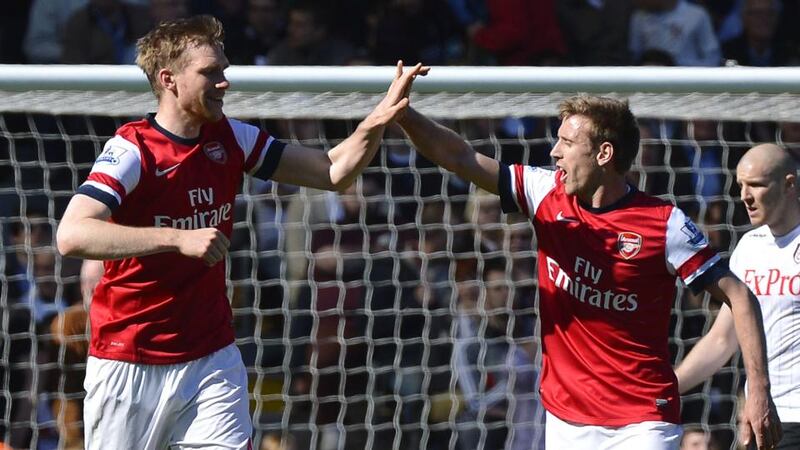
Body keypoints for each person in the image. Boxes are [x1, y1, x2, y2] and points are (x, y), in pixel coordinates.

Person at [55, 15, 427, 449]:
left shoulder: (232, 138)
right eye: (210, 72)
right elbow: (73, 235)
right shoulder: (131, 149)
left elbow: (332, 170)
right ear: (168, 79)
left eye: (224, 70)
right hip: (129, 357)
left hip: (211, 356)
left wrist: (377, 119)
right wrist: (177, 238)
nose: (224, 82)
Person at [395, 94, 781, 449]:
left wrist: (759, 390)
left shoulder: (664, 224)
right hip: (566, 421)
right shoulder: (545, 193)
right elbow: (461, 157)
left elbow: (739, 294)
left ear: (603, 153)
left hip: (642, 423)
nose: (554, 152)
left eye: (566, 142)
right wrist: (406, 115)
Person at [675, 143, 800, 450]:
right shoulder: (749, 247)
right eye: (740, 185)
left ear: (789, 185)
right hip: (763, 420)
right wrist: (667, 387)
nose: (745, 195)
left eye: (756, 185)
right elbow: (723, 339)